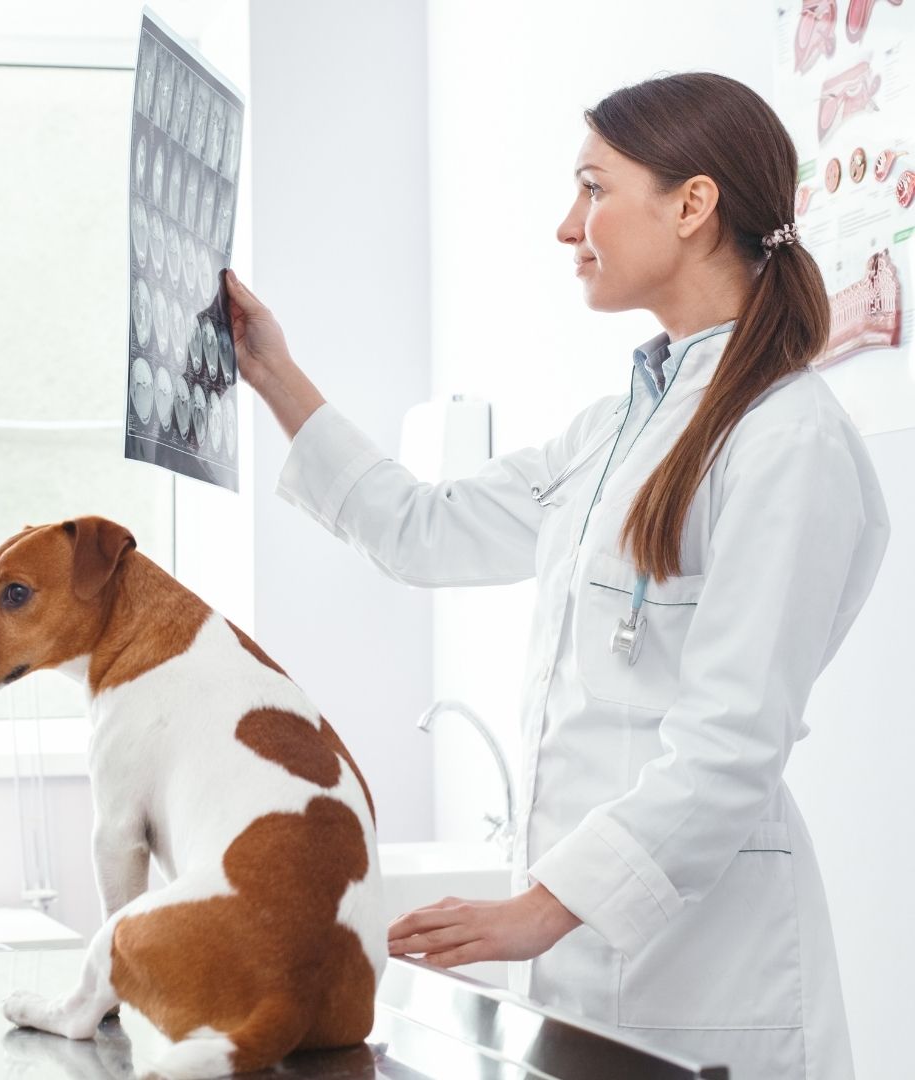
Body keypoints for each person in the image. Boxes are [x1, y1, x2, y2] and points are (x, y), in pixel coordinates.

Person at [223, 71, 889, 1080]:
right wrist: (273, 372)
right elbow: (422, 529)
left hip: (709, 976)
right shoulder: (620, 426)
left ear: (693, 204)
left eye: (592, 187)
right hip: (597, 963)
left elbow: (731, 741)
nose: (565, 224)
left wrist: (539, 911)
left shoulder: (788, 440)